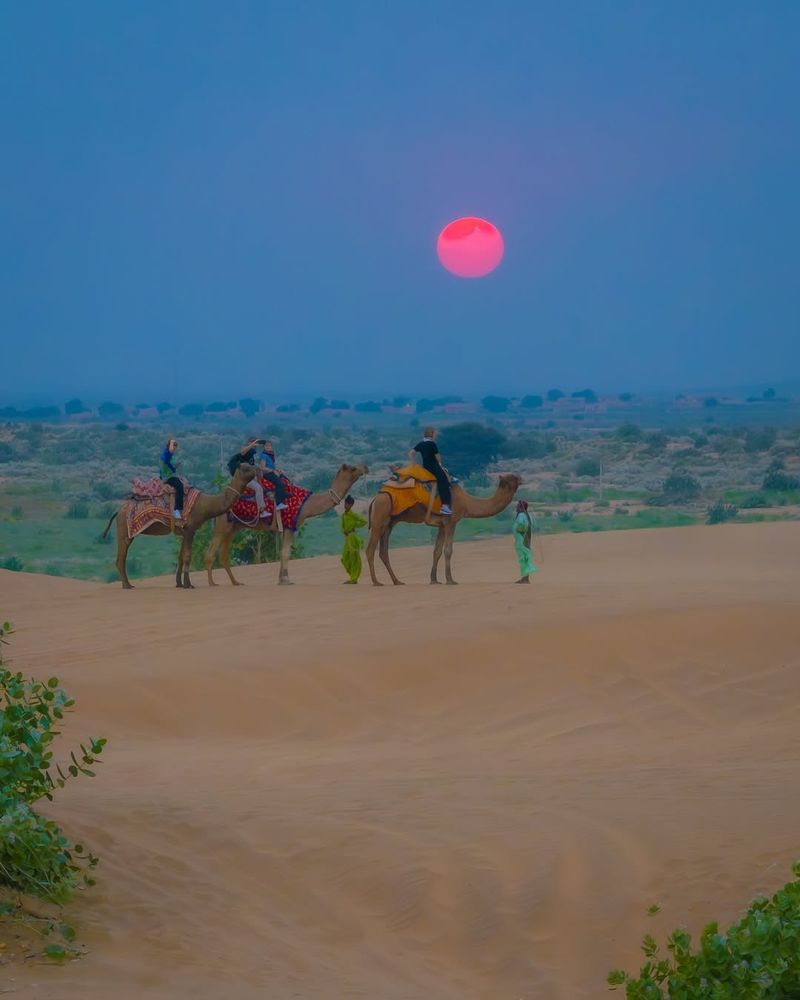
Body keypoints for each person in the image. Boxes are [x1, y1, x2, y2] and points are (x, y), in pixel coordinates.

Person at [412, 427, 452, 515]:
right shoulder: (432, 444)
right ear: (432, 434)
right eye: (435, 434)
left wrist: (414, 463)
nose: (435, 435)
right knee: (444, 481)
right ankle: (445, 506)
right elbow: (437, 456)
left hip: (426, 467)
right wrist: (440, 465)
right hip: (434, 467)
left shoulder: (421, 444)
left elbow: (411, 453)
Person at [340, 495, 367, 584]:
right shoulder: (343, 515)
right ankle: (353, 576)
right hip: (347, 539)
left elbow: (364, 521)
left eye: (347, 504)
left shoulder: (353, 514)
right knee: (344, 559)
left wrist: (355, 525)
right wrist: (344, 530)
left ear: (351, 505)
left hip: (353, 538)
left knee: (354, 558)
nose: (346, 505)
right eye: (345, 503)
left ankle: (353, 578)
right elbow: (342, 526)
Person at [258, 440, 288, 511]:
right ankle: (279, 503)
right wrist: (273, 471)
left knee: (286, 480)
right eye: (266, 446)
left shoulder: (270, 455)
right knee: (280, 484)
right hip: (267, 473)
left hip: (271, 472)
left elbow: (272, 466)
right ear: (264, 447)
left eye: (269, 445)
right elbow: (262, 468)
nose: (268, 447)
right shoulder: (264, 455)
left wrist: (277, 470)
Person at [513, 499, 538, 584]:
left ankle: (524, 579)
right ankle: (526, 578)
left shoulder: (520, 515)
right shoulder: (528, 516)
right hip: (526, 540)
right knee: (526, 558)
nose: (516, 507)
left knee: (522, 559)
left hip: (521, 540)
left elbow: (520, 525)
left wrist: (520, 530)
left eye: (518, 505)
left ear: (521, 507)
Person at [159, 438, 184, 521]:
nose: (174, 449)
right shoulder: (166, 454)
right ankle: (176, 509)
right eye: (173, 446)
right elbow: (167, 465)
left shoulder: (168, 454)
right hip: (167, 477)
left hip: (168, 475)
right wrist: (173, 468)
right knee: (180, 487)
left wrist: (174, 468)